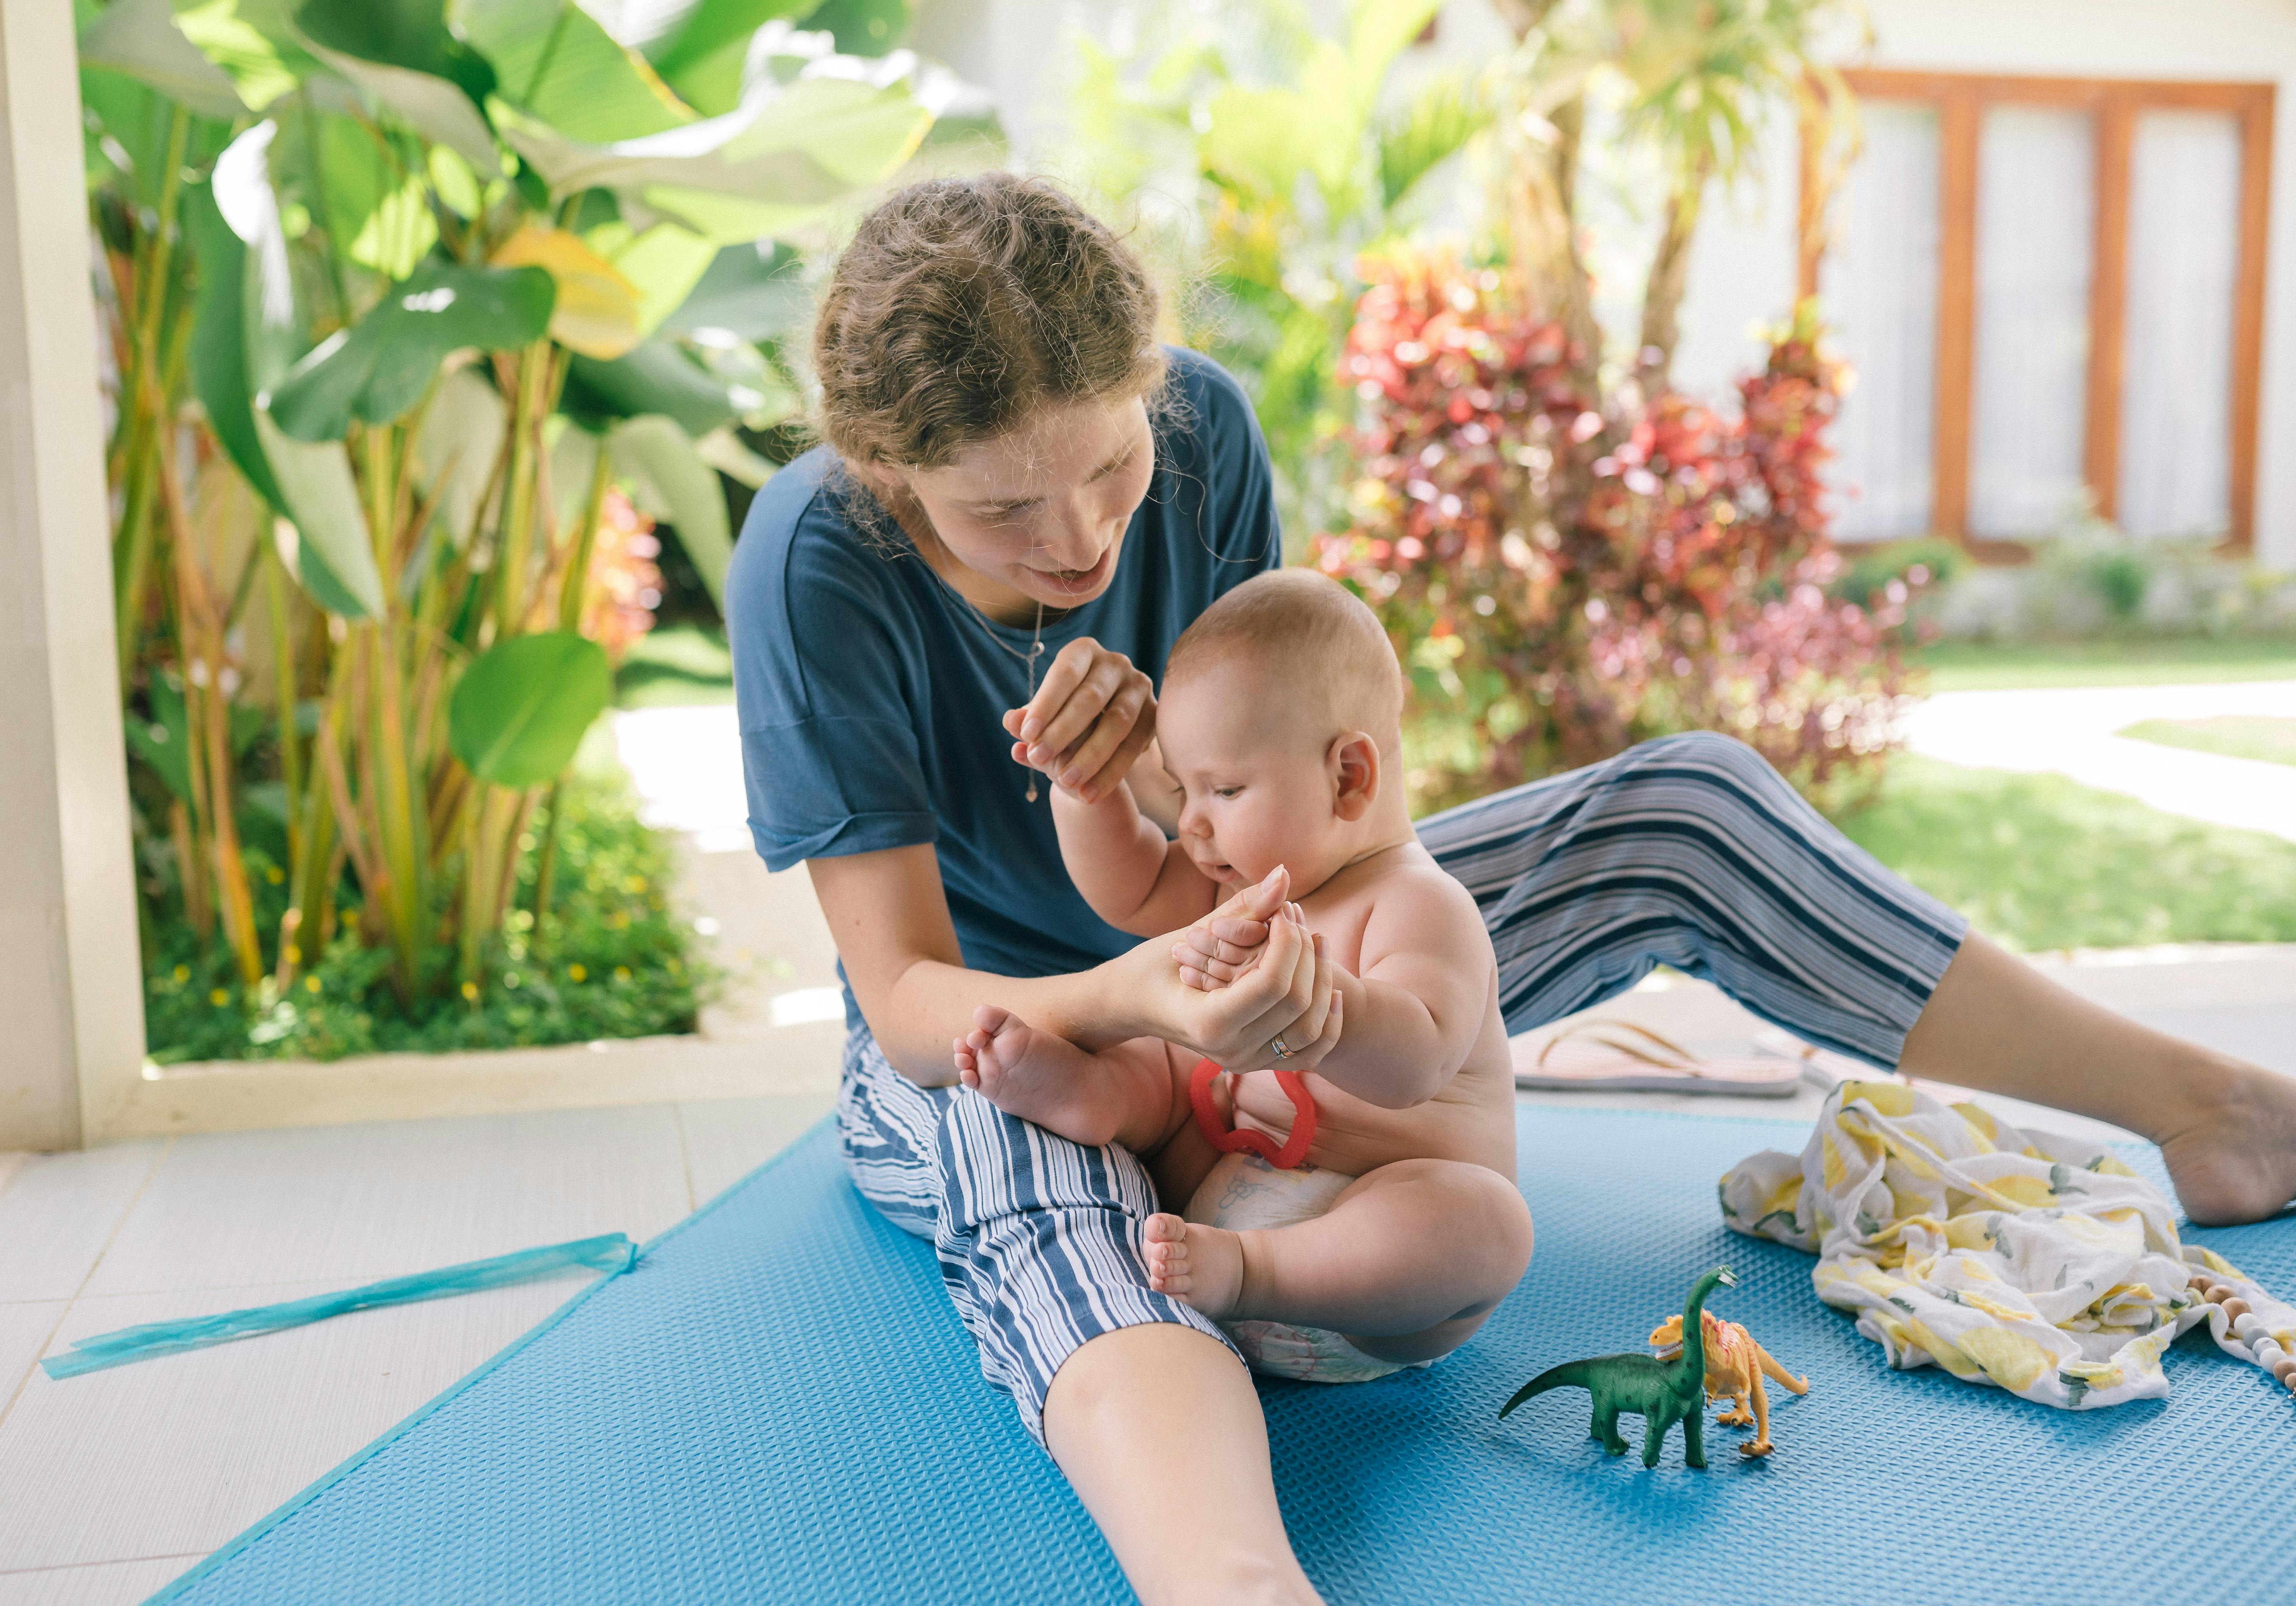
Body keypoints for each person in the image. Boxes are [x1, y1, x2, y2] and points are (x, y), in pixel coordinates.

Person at [727, 172, 2296, 1606]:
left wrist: (1197, 851)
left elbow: (1267, 799)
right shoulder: (817, 560)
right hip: (1011, 1032)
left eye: (1112, 467)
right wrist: (1141, 1002)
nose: (1077, 535)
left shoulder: (1204, 432)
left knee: (1682, 801)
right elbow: (911, 1005)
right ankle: (1233, 1581)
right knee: (1048, 1174)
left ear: (1152, 399)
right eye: (1006, 509)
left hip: (1250, 949)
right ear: (889, 471)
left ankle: (2207, 1108)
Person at [954, 569, 1531, 1383]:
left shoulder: (1418, 905)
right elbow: (1131, 887)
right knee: (1168, 1049)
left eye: (1223, 788)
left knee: (1489, 1225)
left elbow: (1418, 1063)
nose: (1191, 821)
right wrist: (1087, 792)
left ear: (1349, 777)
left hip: (1366, 1279)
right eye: (1183, 787)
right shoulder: (1234, 883)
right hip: (1207, 1198)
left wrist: (1324, 1008)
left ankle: (1255, 1270)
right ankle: (1095, 1095)